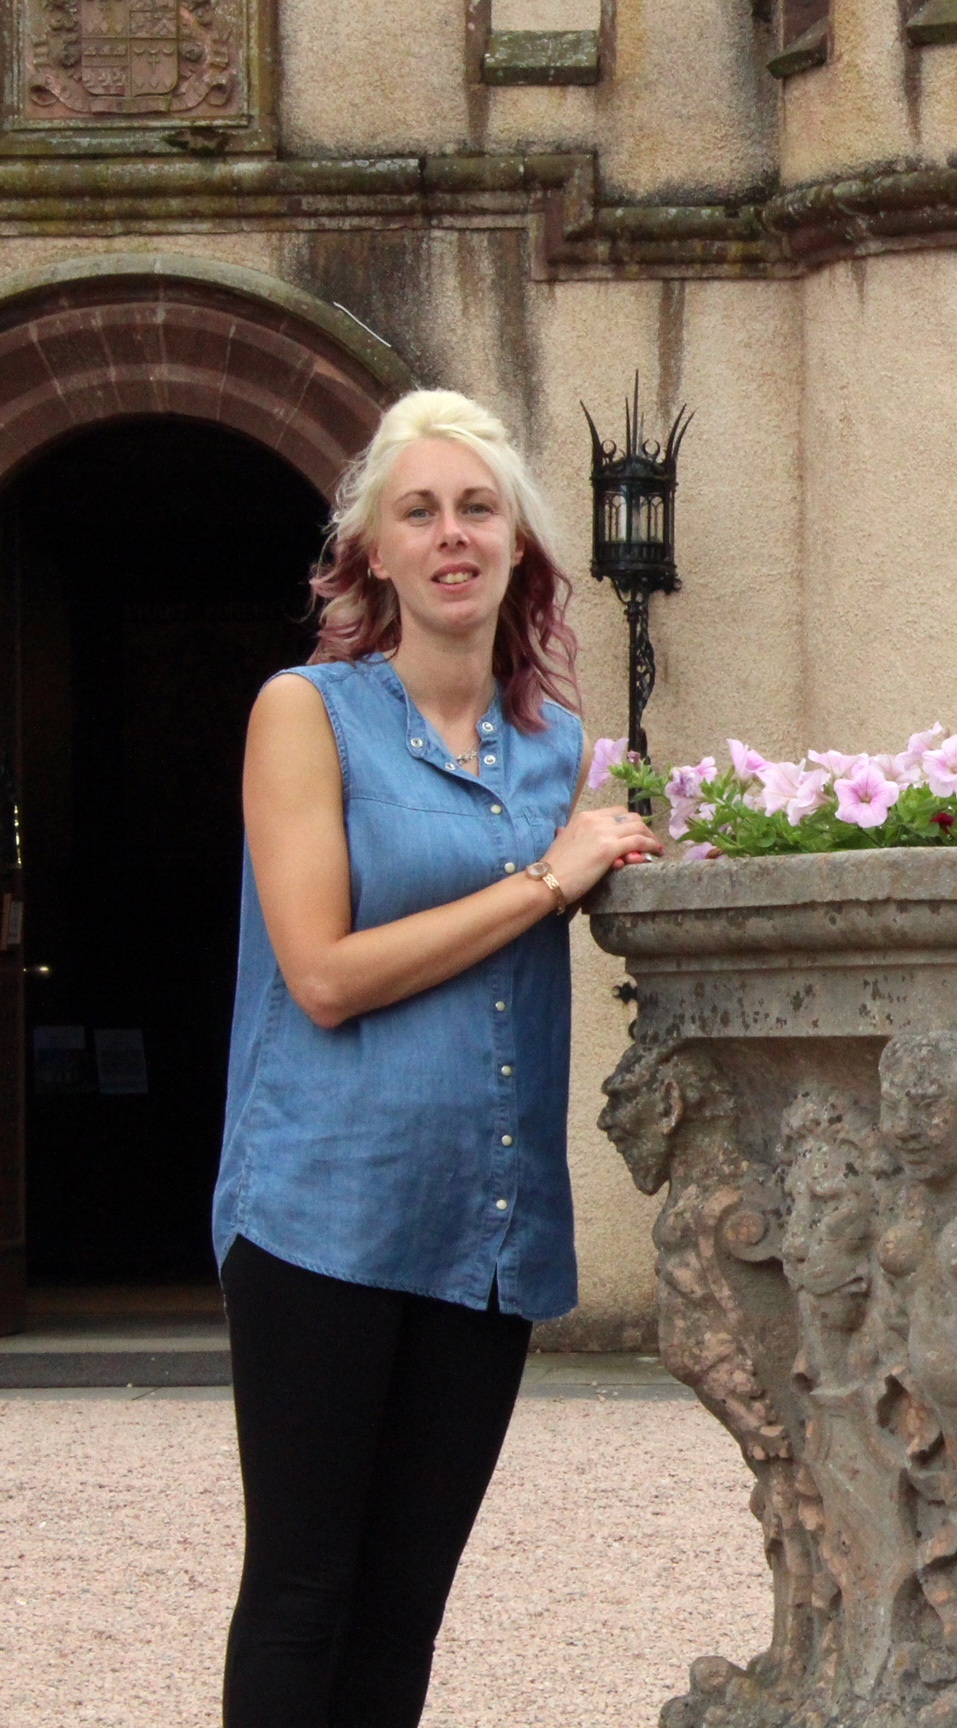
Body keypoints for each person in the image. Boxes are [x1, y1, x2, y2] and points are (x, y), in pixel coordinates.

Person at [211, 389, 660, 1725]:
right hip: (323, 1216)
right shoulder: (307, 714)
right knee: (302, 1594)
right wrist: (545, 880)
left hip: (488, 1230)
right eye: (421, 512)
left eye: (478, 509)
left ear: (520, 545)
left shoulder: (563, 754)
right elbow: (324, 975)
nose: (452, 533)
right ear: (376, 557)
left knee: (406, 1606)